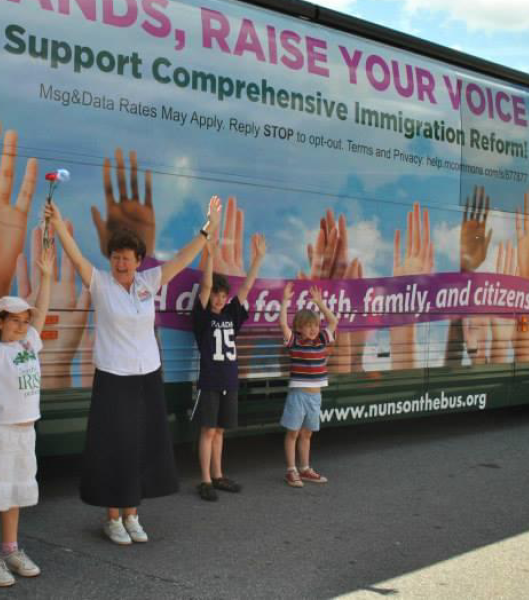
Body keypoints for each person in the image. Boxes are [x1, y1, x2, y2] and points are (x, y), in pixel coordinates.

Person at [44, 195, 221, 545]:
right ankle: (113, 518)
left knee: (141, 446)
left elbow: (184, 259)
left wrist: (207, 229)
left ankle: (133, 514)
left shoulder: (148, 282)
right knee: (114, 448)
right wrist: (58, 223)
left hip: (147, 379)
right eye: (116, 257)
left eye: (127, 258)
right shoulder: (100, 284)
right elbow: (76, 256)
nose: (121, 263)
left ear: (139, 261)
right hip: (113, 379)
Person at [0, 242, 53, 588]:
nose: (22, 325)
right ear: (1, 323)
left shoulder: (30, 342)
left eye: (24, 320)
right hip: (0, 433)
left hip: (25, 433)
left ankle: (11, 549)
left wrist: (45, 277)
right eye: (14, 320)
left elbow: (42, 312)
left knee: (14, 493)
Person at [192, 233, 266, 501]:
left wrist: (257, 260)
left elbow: (245, 290)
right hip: (210, 381)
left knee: (220, 430)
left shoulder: (230, 316)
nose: (220, 299)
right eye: (216, 295)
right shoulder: (202, 318)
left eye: (223, 296)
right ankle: (205, 480)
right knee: (208, 430)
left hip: (229, 380)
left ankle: (218, 474)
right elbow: (205, 286)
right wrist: (210, 255)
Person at [277, 282, 338, 488]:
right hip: (298, 395)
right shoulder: (294, 341)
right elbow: (283, 325)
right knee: (293, 433)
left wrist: (320, 304)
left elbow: (333, 321)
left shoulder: (321, 339)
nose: (313, 329)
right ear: (299, 328)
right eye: (308, 326)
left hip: (315, 396)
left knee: (307, 433)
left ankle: (305, 468)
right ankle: (291, 470)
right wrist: (285, 302)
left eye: (315, 325)